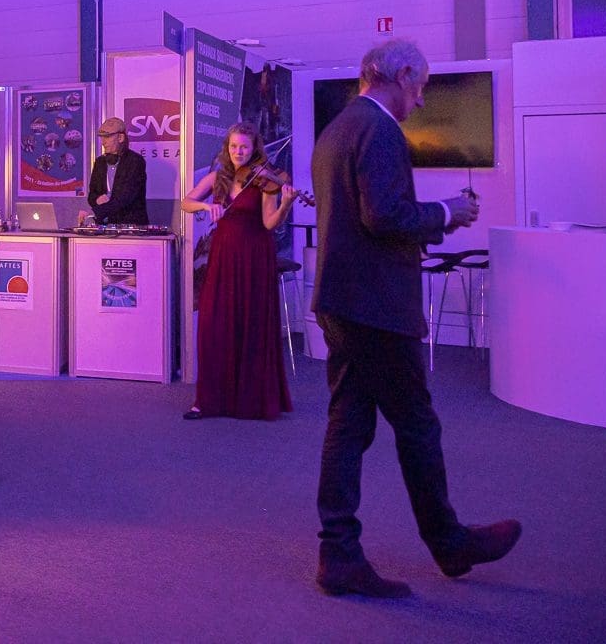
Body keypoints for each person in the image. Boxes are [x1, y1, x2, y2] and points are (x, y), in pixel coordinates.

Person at [311, 40, 519, 598]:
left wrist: (432, 217)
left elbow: (361, 219)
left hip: (343, 301)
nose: (422, 100)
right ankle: (448, 544)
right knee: (416, 425)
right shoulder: (379, 130)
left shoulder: (337, 129)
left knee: (349, 424)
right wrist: (447, 212)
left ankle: (339, 554)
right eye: (421, 87)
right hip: (377, 307)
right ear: (401, 74)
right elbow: (384, 216)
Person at [180, 122, 295, 420]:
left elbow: (269, 223)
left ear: (254, 148)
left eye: (244, 146)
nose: (238, 152)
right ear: (227, 147)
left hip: (254, 257)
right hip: (223, 256)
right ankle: (207, 400)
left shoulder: (264, 181)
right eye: (233, 146)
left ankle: (249, 401)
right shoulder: (218, 177)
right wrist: (206, 208)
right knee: (214, 324)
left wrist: (285, 204)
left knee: (250, 324)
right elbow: (186, 202)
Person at [87, 117, 148, 225]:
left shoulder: (135, 161)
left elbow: (125, 198)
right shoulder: (100, 162)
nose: (103, 142)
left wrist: (95, 213)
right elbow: (92, 195)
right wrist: (97, 200)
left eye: (107, 137)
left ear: (120, 138)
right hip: (104, 226)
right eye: (102, 137)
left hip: (130, 227)